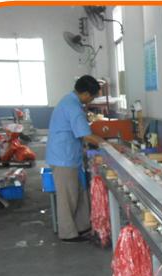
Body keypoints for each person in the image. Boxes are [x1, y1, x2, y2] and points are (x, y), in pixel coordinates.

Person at [47, 75, 105, 242]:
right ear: (85, 94)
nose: (91, 100)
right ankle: (67, 234)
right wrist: (108, 145)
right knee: (67, 197)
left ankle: (82, 227)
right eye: (92, 97)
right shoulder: (73, 107)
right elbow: (85, 135)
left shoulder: (69, 101)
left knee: (78, 192)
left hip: (68, 156)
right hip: (63, 157)